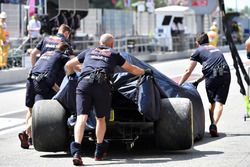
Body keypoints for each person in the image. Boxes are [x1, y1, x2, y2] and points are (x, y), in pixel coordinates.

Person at [65, 33, 150, 166]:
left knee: (81, 118)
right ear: (112, 44)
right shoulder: (113, 53)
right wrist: (145, 72)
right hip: (101, 85)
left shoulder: (88, 51)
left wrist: (76, 74)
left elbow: (69, 65)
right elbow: (132, 69)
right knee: (100, 119)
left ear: (99, 42)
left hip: (84, 84)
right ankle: (98, 152)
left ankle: (76, 152)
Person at [18, 42, 72, 149]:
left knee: (30, 110)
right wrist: (60, 92)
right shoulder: (62, 56)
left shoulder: (46, 54)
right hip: (41, 83)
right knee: (39, 113)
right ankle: (25, 132)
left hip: (30, 80)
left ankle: (29, 137)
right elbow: (72, 66)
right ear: (65, 51)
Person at [178, 32, 231, 137]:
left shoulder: (198, 51)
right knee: (219, 103)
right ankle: (214, 125)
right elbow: (213, 68)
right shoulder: (216, 49)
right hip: (225, 74)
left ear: (197, 43)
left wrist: (179, 85)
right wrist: (198, 81)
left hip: (212, 77)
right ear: (208, 41)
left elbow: (188, 71)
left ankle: (213, 125)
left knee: (212, 103)